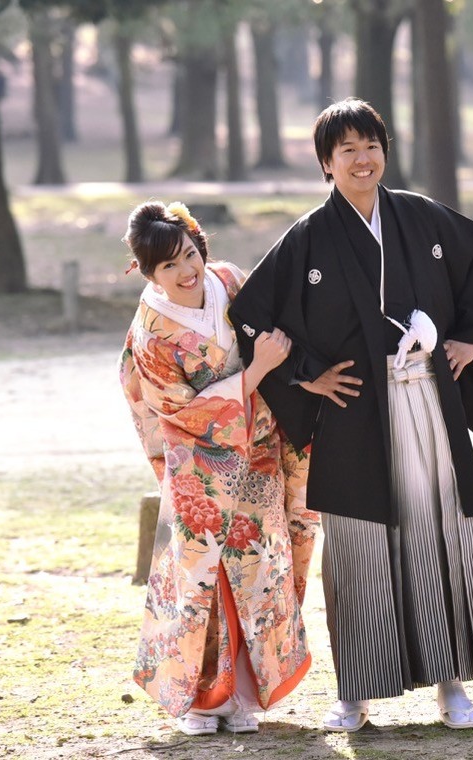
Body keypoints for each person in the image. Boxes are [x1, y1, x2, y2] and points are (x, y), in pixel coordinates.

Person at [228, 98, 473, 732]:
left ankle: (452, 687)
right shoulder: (308, 237)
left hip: (427, 399)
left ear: (385, 151)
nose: (363, 159)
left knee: (441, 531)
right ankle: (353, 695)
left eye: (371, 145)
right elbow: (251, 312)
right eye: (347, 150)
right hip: (357, 412)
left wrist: (470, 336)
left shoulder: (421, 218)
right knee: (357, 550)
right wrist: (307, 373)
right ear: (326, 164)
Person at [119, 200, 318, 736]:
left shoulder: (229, 280)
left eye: (189, 256)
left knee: (260, 566)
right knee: (201, 579)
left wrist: (285, 373)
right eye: (168, 267)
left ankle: (244, 694)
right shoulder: (152, 333)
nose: (185, 273)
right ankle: (200, 699)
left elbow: (281, 327)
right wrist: (256, 372)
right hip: (199, 462)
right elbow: (179, 410)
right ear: (147, 272)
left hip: (257, 451)